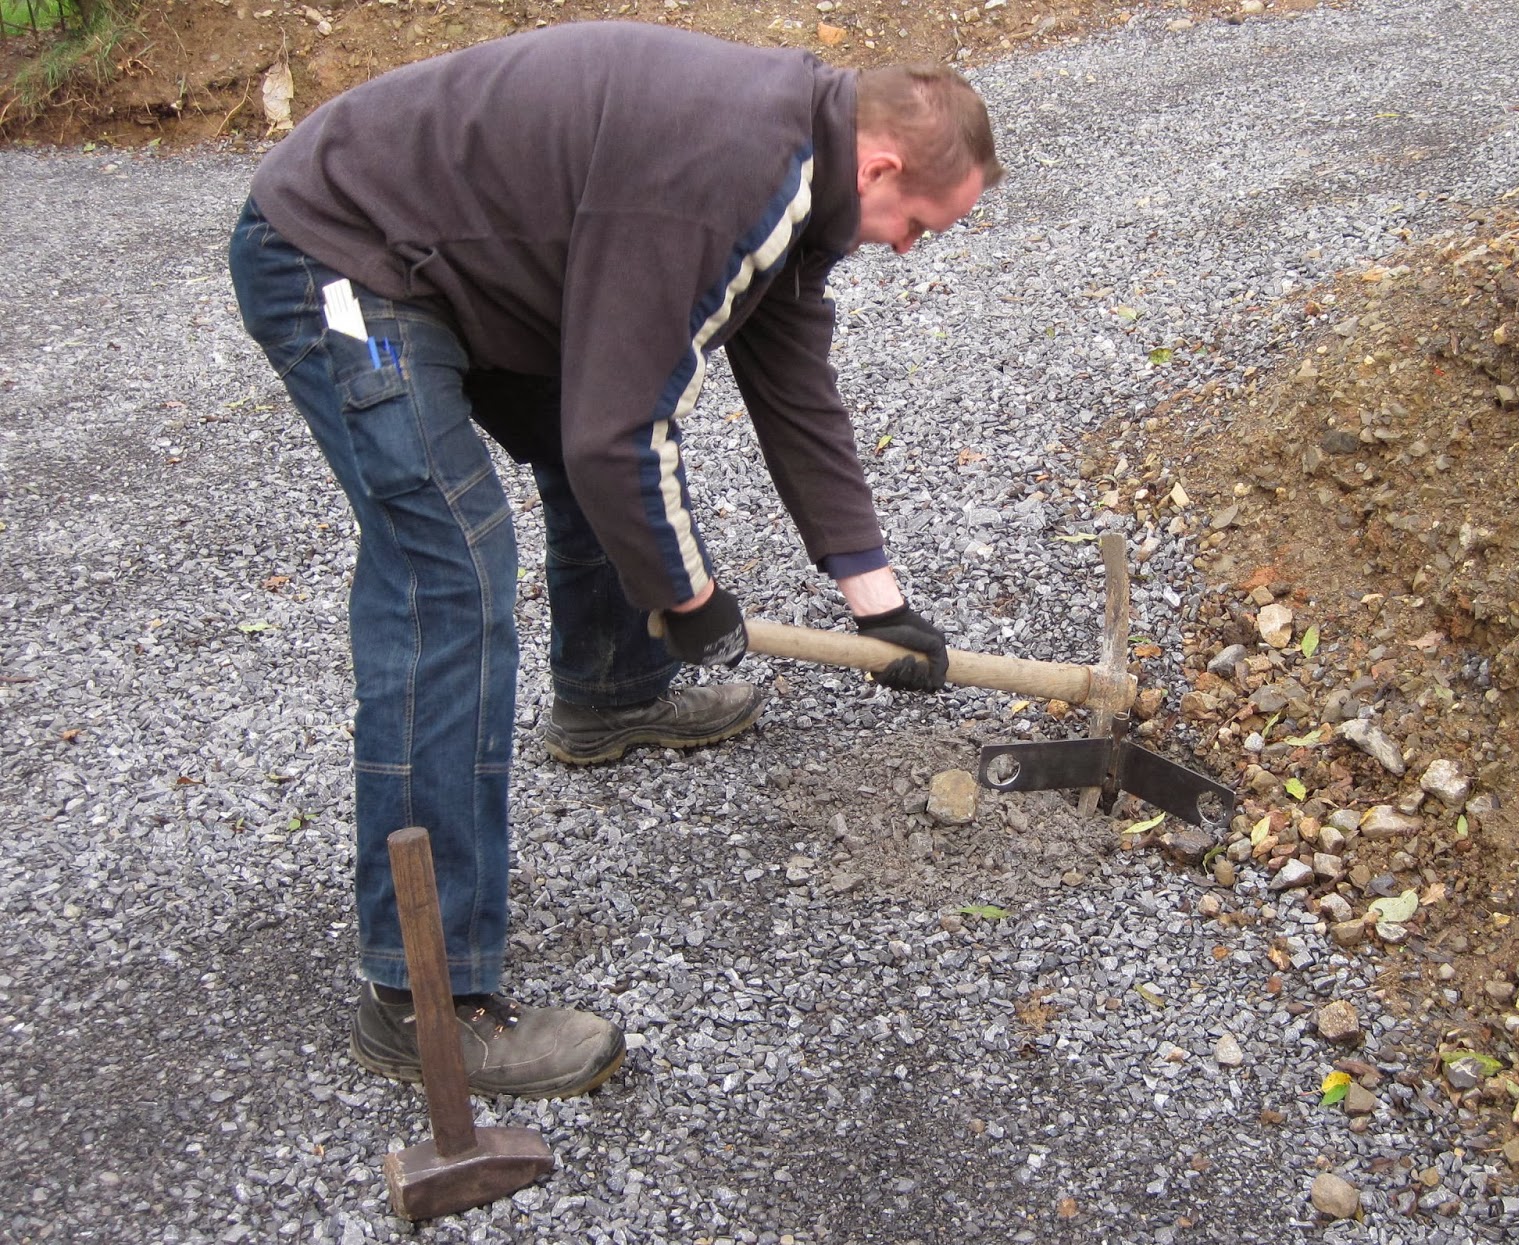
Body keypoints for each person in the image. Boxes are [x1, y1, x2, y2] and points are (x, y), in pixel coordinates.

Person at [228, 20, 1003, 1100]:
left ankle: (608, 693)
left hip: (467, 273)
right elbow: (620, 434)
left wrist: (877, 601)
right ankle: (424, 996)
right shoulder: (729, 170)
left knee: (587, 429)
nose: (909, 249)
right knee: (448, 574)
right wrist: (689, 600)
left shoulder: (799, 181)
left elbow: (793, 387)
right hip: (342, 254)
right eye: (918, 223)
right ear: (879, 164)